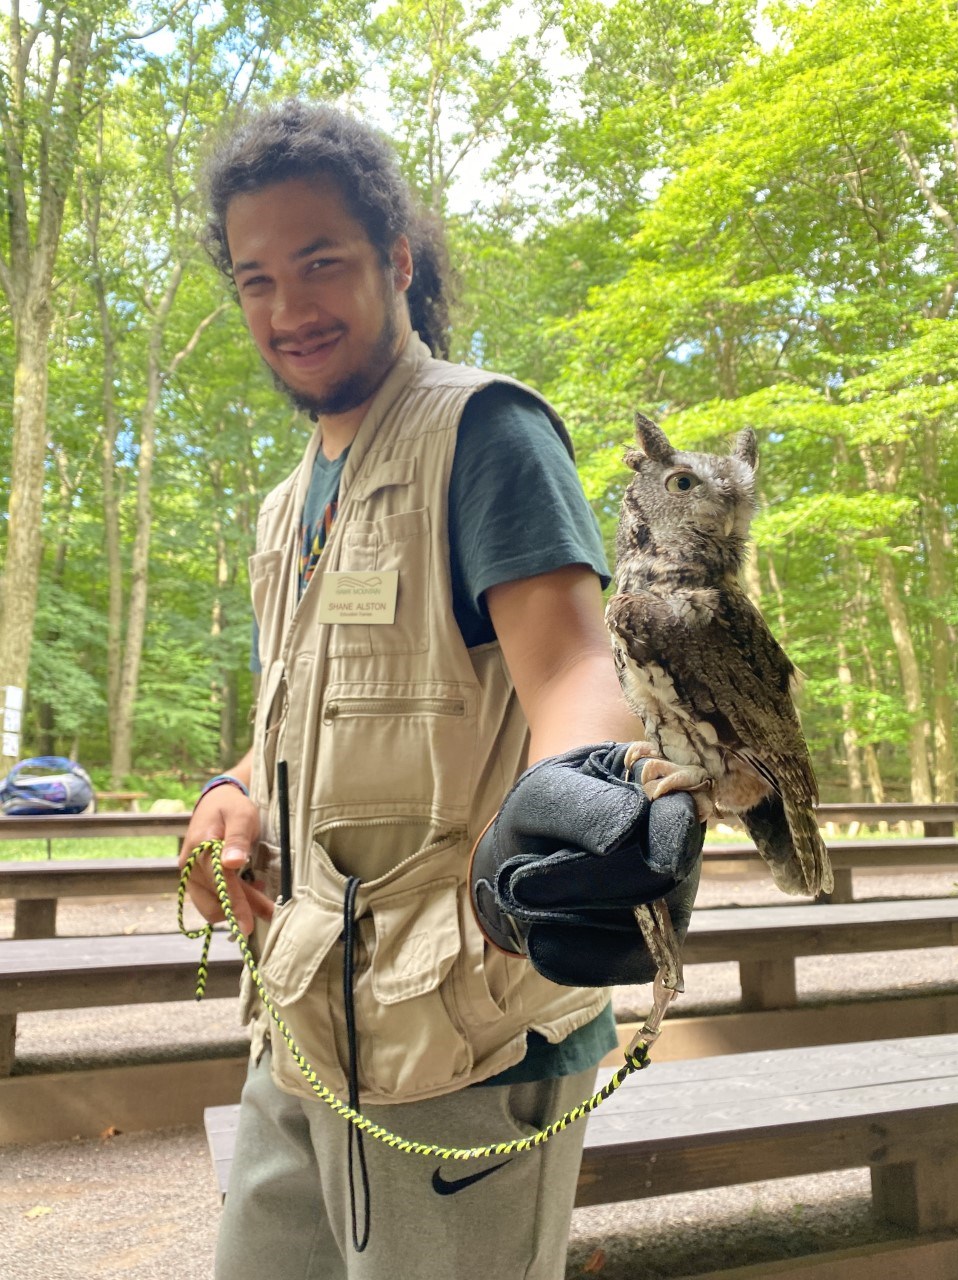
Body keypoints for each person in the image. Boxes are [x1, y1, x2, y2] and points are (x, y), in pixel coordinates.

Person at [179, 99, 701, 1280]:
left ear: (397, 262)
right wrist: (232, 790)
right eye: (257, 278)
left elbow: (575, 665)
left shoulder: (484, 431)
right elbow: (301, 717)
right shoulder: (284, 506)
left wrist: (584, 797)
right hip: (303, 1024)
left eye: (322, 263)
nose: (290, 308)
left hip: (468, 1032)